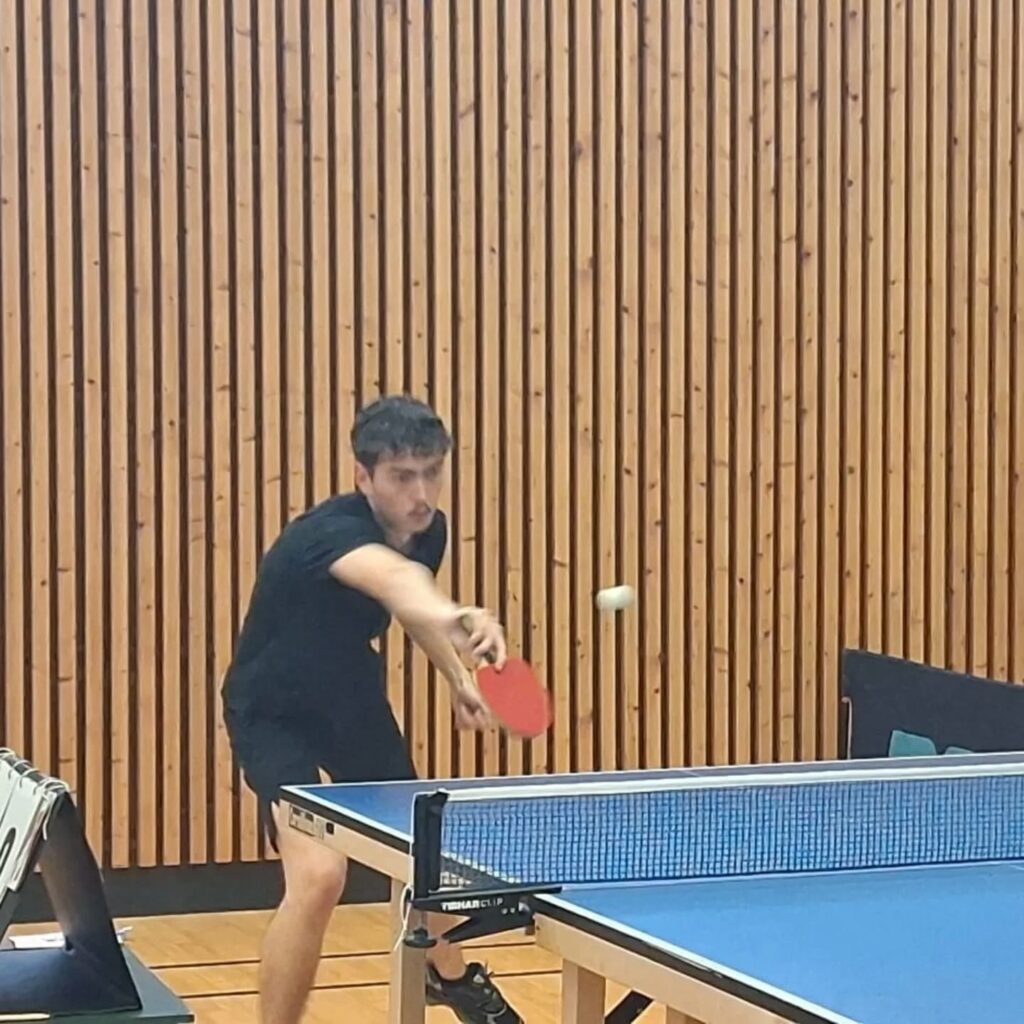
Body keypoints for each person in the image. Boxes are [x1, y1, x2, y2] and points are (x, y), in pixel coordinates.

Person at [221, 394, 522, 1024]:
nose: (421, 494)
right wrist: (459, 615)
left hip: (349, 694)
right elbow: (394, 580)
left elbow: (413, 605)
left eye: (432, 473)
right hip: (272, 706)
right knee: (319, 875)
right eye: (402, 477)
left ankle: (451, 976)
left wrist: (457, 675)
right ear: (364, 476)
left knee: (421, 851)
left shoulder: (428, 529)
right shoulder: (328, 534)